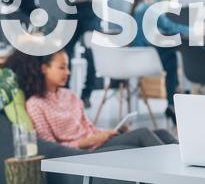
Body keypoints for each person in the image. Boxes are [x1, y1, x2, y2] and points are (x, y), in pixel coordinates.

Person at [3, 49, 177, 150]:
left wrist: (111, 131)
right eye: (62, 67)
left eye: (68, 67)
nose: (67, 72)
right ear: (44, 69)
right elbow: (51, 148)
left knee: (161, 133)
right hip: (87, 151)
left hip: (97, 141)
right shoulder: (35, 105)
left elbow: (89, 128)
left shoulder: (69, 96)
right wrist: (91, 141)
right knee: (143, 134)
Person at [130, 0, 190, 125]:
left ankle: (173, 102)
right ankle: (172, 103)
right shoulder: (149, 9)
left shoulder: (133, 11)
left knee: (170, 56)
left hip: (133, 58)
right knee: (172, 59)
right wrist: (195, 30)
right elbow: (170, 27)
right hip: (147, 58)